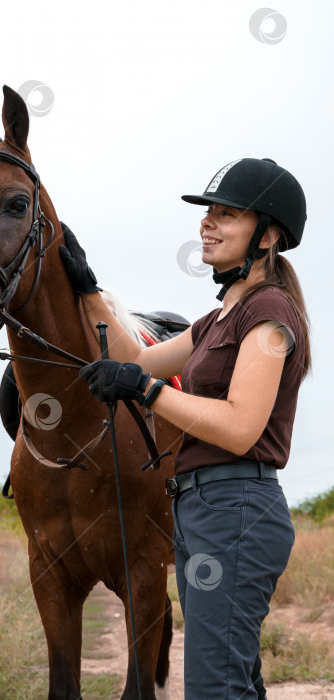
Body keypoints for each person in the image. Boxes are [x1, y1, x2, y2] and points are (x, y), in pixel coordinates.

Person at [58, 157, 311, 700]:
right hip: (200, 512)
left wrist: (148, 392)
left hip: (236, 509)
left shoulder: (268, 315)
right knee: (232, 683)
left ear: (267, 235)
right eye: (206, 213)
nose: (207, 223)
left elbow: (242, 427)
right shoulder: (217, 318)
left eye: (226, 214)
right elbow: (134, 356)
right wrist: (87, 288)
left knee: (213, 689)